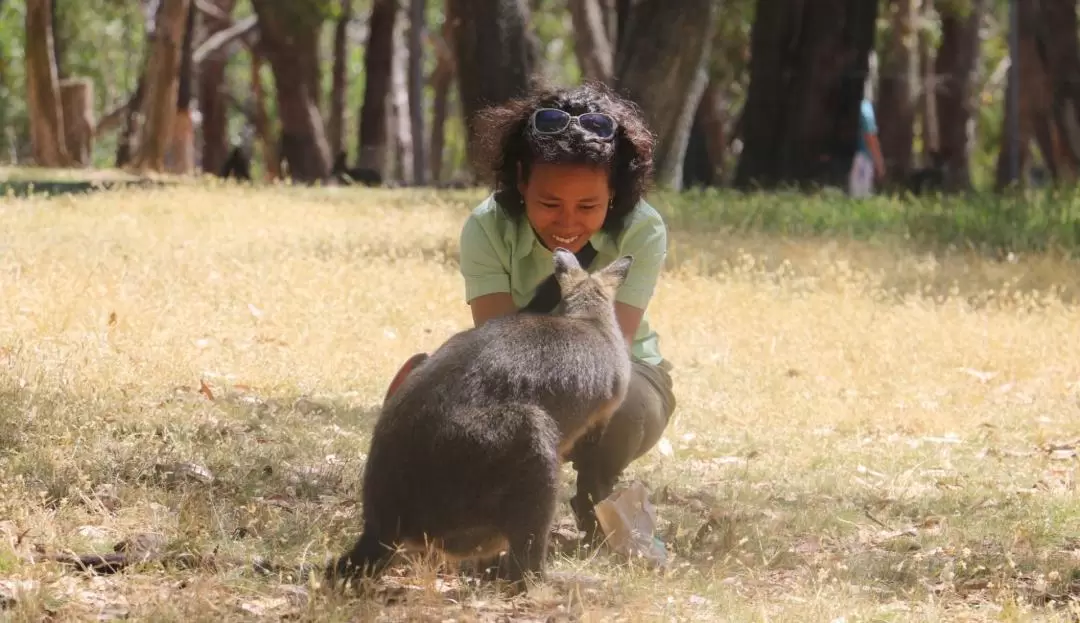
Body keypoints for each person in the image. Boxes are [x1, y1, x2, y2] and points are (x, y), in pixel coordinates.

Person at [383, 81, 677, 543]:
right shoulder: (488, 225)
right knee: (431, 386)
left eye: (588, 206)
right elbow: (499, 340)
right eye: (549, 203)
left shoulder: (643, 228)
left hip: (616, 370)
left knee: (626, 407)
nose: (567, 222)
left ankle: (594, 495)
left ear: (614, 194)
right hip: (522, 366)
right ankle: (464, 513)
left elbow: (607, 351)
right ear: (522, 181)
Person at [850, 97, 886, 197]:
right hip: (861, 158)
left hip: (848, 157)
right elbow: (870, 135)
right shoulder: (865, 106)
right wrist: (879, 163)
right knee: (859, 198)